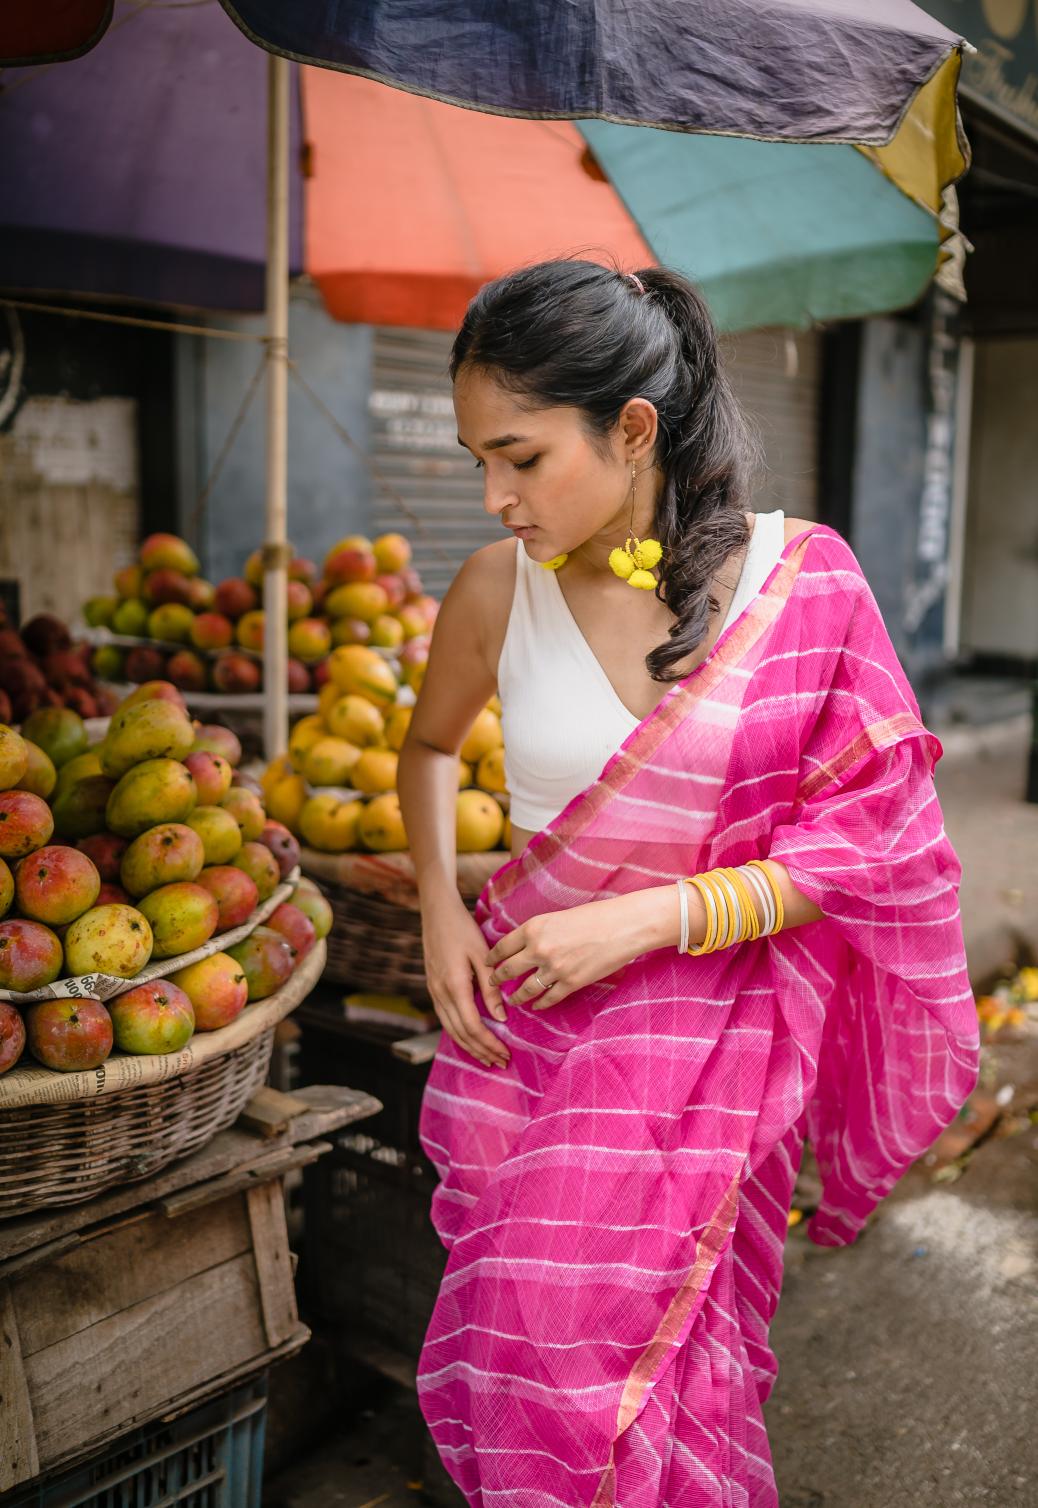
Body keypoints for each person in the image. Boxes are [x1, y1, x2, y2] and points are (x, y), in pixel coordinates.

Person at [396, 259, 979, 1507]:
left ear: (634, 427)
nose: (495, 496)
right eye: (474, 460)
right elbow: (430, 745)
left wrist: (657, 915)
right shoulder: (498, 588)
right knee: (526, 1343)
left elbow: (879, 846)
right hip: (523, 1025)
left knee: (663, 1356)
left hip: (716, 1035)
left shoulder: (800, 584)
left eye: (521, 455)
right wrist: (444, 902)